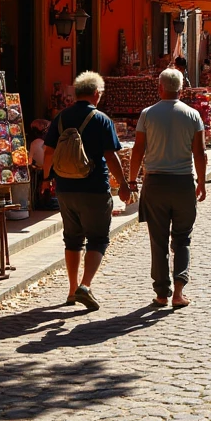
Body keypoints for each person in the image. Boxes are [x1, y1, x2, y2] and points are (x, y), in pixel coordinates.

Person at [42, 71, 130, 311]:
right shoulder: (102, 120)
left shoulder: (61, 118)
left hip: (66, 189)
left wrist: (45, 178)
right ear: (96, 94)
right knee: (98, 238)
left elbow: (48, 152)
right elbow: (110, 156)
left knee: (72, 239)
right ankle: (85, 286)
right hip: (94, 188)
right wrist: (122, 182)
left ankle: (71, 291)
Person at [129, 68, 206, 308]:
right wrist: (202, 182)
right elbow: (200, 153)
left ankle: (162, 293)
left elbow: (138, 150)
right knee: (182, 238)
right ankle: (179, 292)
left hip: (155, 183)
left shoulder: (147, 114)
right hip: (183, 182)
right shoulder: (193, 115)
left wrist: (132, 180)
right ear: (181, 90)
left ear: (160, 87)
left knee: (158, 240)